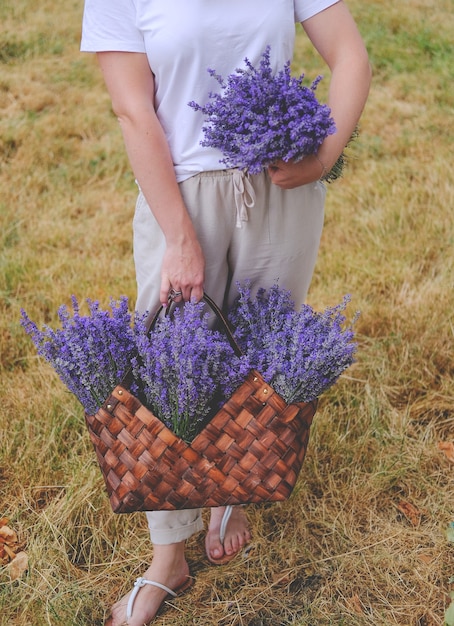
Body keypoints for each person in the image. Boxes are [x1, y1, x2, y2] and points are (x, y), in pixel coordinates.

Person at [80, 1, 371, 624]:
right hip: (181, 191)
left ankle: (233, 493)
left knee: (264, 363)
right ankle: (169, 558)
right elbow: (133, 110)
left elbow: (350, 57)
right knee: (167, 375)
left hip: (281, 194)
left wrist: (322, 156)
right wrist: (180, 237)